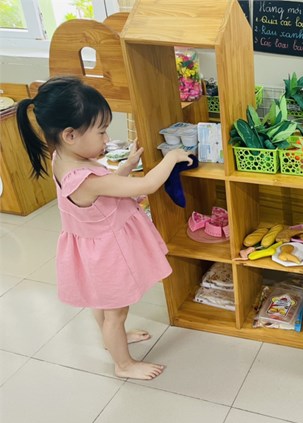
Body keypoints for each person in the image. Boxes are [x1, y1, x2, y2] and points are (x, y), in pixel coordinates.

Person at [16, 76, 193, 380]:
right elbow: (147, 185)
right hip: (108, 253)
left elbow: (104, 189)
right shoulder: (85, 179)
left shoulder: (62, 158)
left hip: (91, 248)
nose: (106, 137)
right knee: (116, 312)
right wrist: (173, 156)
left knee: (101, 302)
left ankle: (113, 340)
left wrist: (126, 166)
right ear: (70, 135)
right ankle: (123, 364)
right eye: (101, 131)